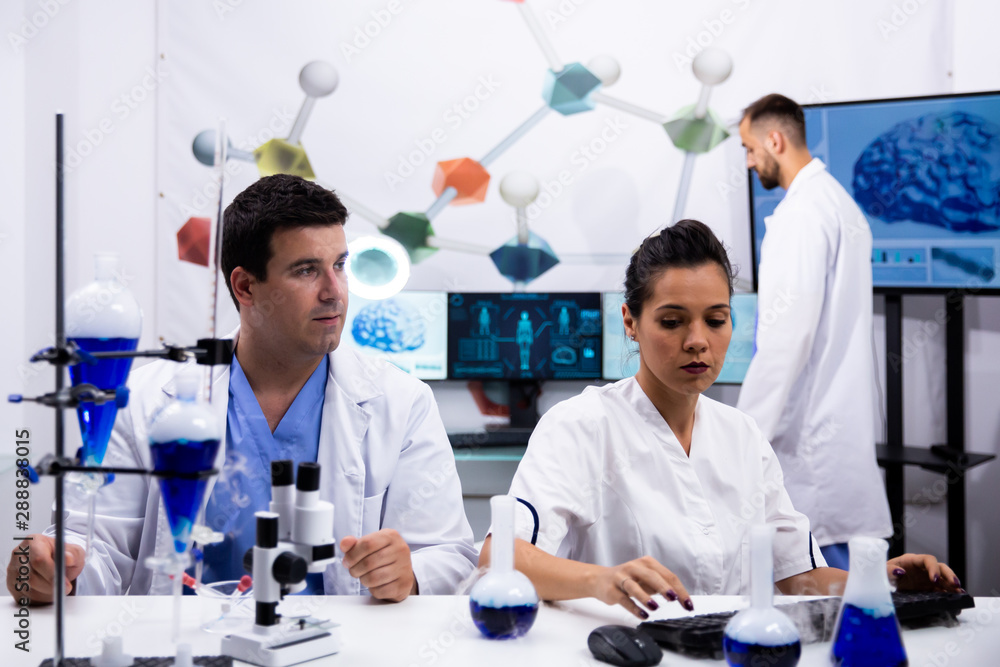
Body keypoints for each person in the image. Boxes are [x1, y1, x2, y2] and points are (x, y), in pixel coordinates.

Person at [8, 174, 477, 603]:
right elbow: (96, 551)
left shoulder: (402, 402)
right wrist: (56, 571)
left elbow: (450, 555)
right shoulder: (143, 400)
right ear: (246, 287)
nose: (335, 291)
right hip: (189, 646)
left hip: (336, 647)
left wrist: (407, 573)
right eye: (307, 270)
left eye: (340, 265)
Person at [479, 219, 961, 619]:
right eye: (672, 321)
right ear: (630, 322)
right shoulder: (581, 425)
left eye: (715, 319)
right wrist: (601, 580)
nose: (697, 341)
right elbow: (498, 557)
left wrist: (883, 581)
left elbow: (798, 575)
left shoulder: (742, 435)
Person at [735, 94, 892, 569]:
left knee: (820, 589)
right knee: (849, 586)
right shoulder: (838, 203)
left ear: (774, 140)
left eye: (749, 149)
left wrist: (739, 439)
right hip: (836, 433)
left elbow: (786, 341)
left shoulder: (802, 215)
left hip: (812, 446)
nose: (749, 163)